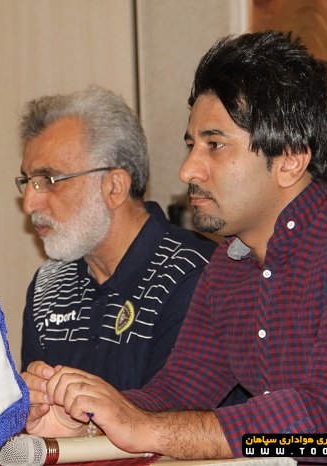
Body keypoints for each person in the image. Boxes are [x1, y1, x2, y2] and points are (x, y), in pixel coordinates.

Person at [22, 32, 327, 463]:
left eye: (214, 145)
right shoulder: (230, 263)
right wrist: (86, 415)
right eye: (191, 145)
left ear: (290, 159)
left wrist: (145, 429)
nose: (188, 170)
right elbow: (176, 395)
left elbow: (322, 422)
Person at [17, 86, 219, 392]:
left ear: (114, 187)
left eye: (49, 180)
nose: (29, 203)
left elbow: (169, 418)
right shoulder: (49, 285)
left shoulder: (196, 276)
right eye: (28, 181)